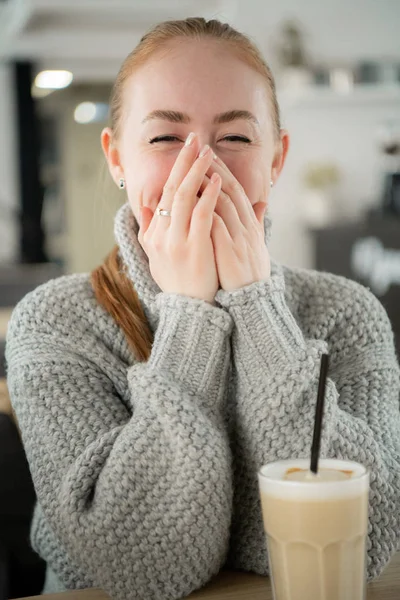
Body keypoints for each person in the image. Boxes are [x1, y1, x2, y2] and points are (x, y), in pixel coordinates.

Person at [5, 16, 400, 600]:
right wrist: (189, 313)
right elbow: (141, 568)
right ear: (117, 159)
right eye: (165, 138)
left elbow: (366, 542)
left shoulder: (347, 313)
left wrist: (256, 308)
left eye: (236, 138)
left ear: (276, 159)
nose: (202, 169)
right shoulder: (54, 325)